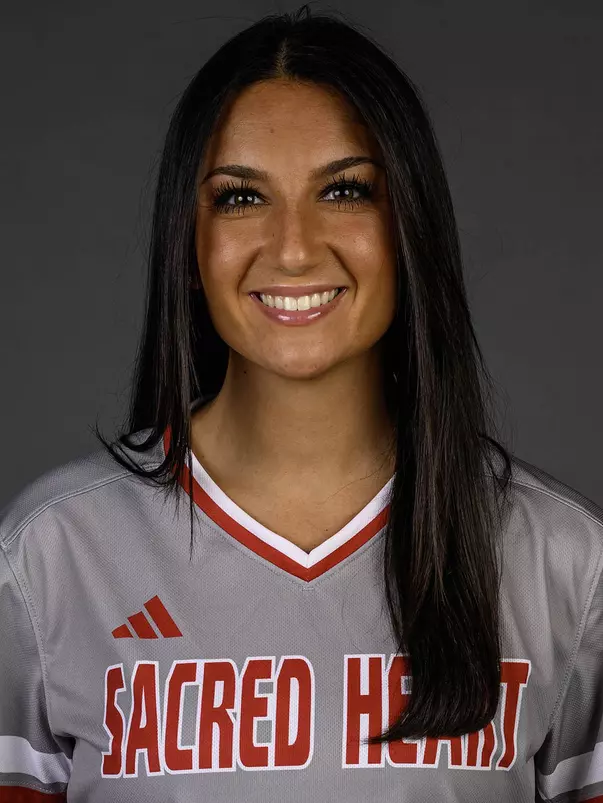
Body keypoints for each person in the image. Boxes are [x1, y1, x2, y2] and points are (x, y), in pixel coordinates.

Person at [1, 5, 601, 802]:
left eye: (345, 190)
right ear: (188, 242)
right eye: (241, 199)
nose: (291, 247)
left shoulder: (560, 561)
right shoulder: (51, 557)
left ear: (408, 229)